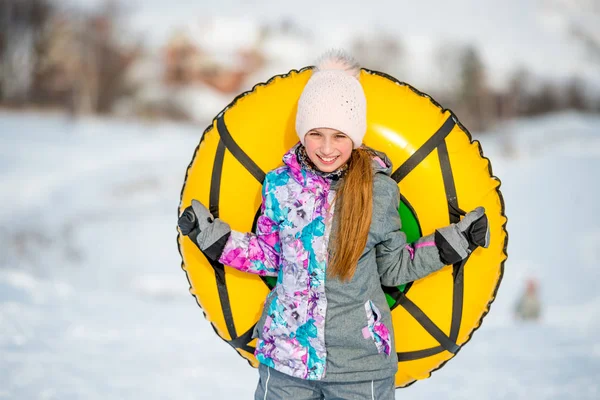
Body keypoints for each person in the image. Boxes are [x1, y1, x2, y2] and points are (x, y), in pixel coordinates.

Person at [178, 49, 490, 400]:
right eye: (316, 133)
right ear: (302, 132)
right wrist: (210, 236)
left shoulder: (378, 191)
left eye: (339, 136)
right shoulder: (279, 185)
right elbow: (269, 255)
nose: (326, 148)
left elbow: (394, 266)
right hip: (286, 363)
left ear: (355, 137)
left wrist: (456, 241)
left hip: (360, 367)